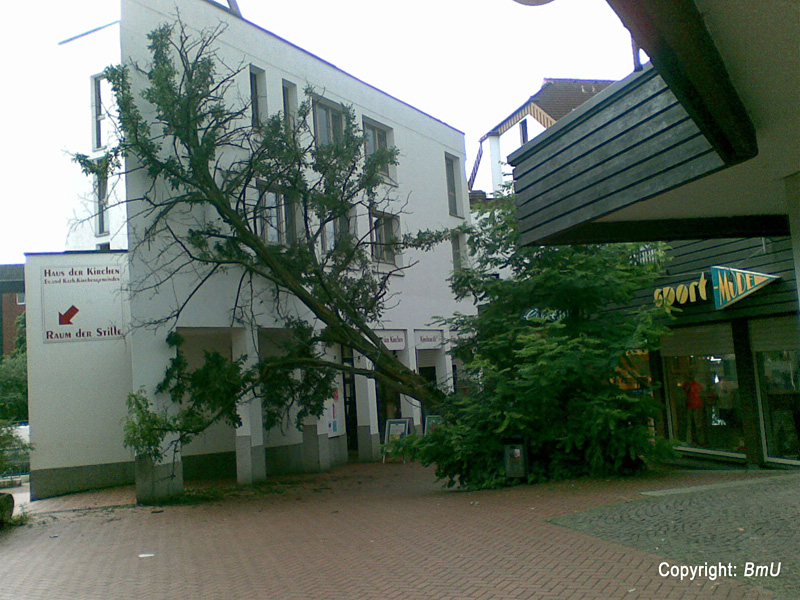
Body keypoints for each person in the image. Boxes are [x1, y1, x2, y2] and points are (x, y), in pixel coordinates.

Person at [683, 374, 705, 445]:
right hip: (690, 405)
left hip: (697, 405)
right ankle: (690, 440)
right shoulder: (687, 385)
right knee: (690, 424)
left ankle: (701, 440)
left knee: (698, 424)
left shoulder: (697, 385)